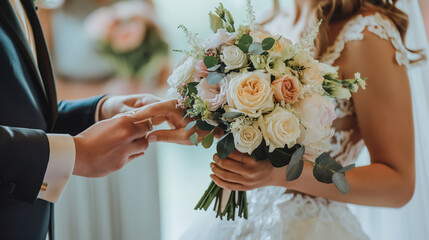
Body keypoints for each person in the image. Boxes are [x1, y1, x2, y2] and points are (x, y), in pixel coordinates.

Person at [140, 0, 428, 239]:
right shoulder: (272, 19)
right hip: (237, 221)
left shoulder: (366, 32)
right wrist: (208, 119)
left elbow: (398, 184)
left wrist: (280, 173)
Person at [0, 0, 168, 239]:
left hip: (117, 141)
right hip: (65, 167)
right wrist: (75, 153)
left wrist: (100, 109)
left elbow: (30, 106)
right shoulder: (52, 7)